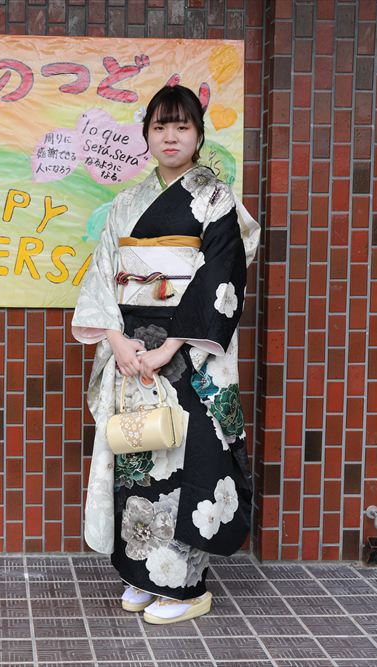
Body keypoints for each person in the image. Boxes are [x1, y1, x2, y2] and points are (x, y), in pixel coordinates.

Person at [71, 84, 260, 625]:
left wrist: (170, 346)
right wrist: (117, 341)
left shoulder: (215, 200)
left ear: (199, 135)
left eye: (182, 126)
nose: (170, 136)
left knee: (188, 456)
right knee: (138, 455)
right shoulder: (125, 204)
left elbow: (219, 275)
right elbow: (103, 273)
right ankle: (141, 574)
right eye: (160, 126)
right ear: (147, 135)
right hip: (131, 348)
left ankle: (184, 587)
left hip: (188, 353)